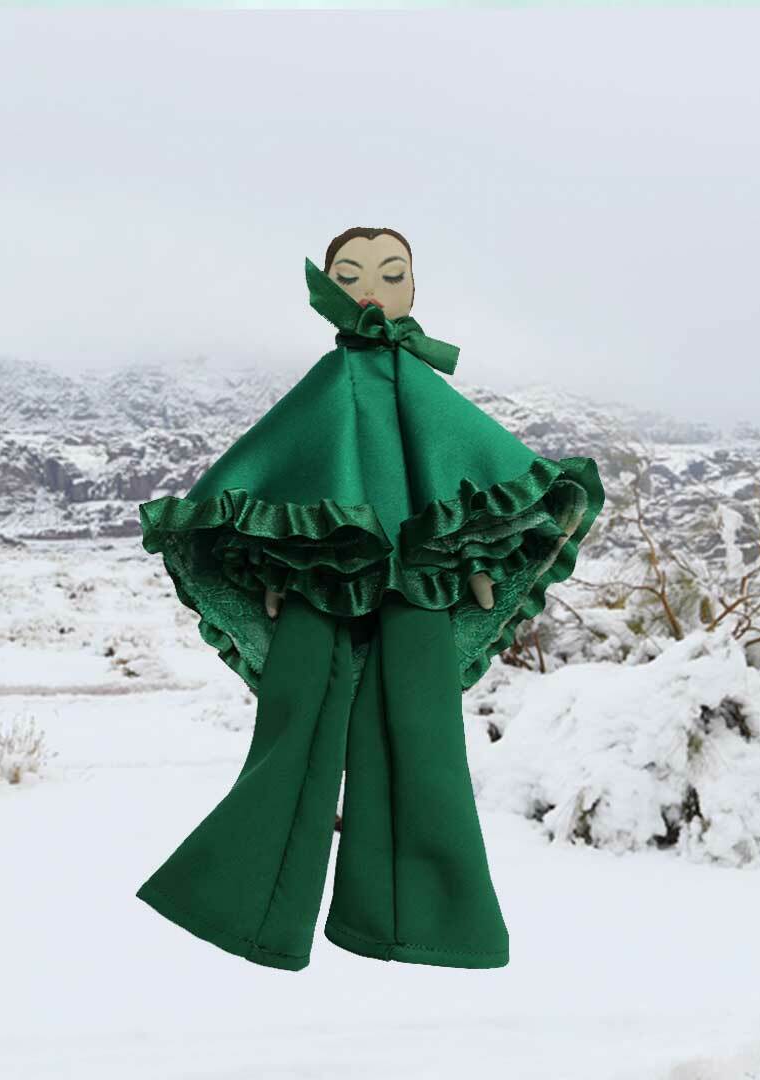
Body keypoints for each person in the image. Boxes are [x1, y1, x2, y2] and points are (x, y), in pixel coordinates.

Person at [135, 226, 606, 970]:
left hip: (421, 573)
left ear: (413, 289)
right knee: (298, 722)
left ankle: (420, 915)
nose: (372, 291)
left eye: (392, 275)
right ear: (328, 289)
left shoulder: (424, 388)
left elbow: (465, 465)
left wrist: (472, 556)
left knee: (422, 730)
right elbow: (280, 470)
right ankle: (243, 904)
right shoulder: (327, 387)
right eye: (351, 275)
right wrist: (273, 566)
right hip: (321, 573)